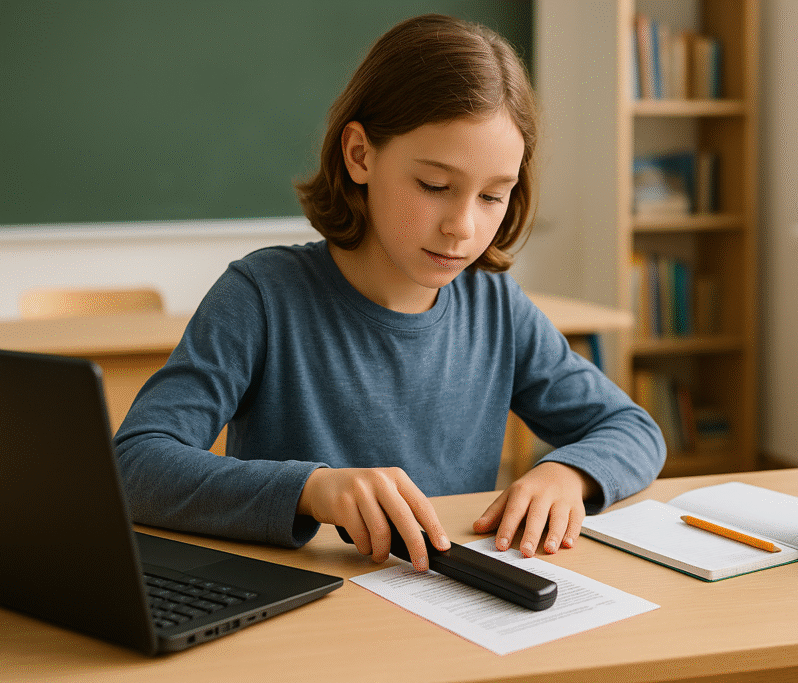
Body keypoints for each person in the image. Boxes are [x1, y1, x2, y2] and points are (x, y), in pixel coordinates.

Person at [115, 14, 665, 573]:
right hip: (302, 601)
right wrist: (312, 489)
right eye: (434, 185)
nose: (462, 226)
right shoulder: (261, 296)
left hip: (447, 602)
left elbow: (633, 429)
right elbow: (133, 464)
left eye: (493, 196)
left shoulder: (497, 308)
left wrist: (568, 474)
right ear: (360, 155)